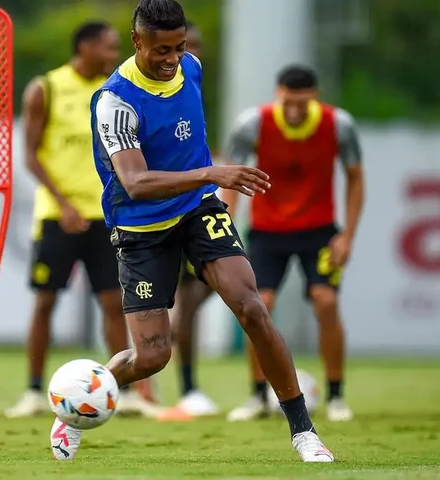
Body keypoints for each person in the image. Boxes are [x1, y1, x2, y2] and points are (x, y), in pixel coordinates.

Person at [50, 0, 334, 463]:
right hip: (142, 228)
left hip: (198, 210)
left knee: (252, 309)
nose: (171, 59)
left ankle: (304, 432)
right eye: (161, 49)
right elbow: (137, 184)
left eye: (179, 47)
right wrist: (211, 173)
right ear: (137, 41)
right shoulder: (115, 102)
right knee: (151, 357)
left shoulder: (192, 68)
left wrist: (205, 182)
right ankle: (78, 399)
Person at [6, 21, 158, 419]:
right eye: (108, 48)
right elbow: (31, 155)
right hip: (59, 216)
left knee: (113, 302)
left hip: (107, 217)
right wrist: (64, 203)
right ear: (85, 46)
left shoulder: (117, 89)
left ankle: (119, 391)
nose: (114, 55)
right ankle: (34, 391)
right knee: (45, 301)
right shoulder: (47, 88)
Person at [224, 65, 364, 423]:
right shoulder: (253, 124)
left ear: (314, 97)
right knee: (259, 305)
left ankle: (336, 396)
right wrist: (224, 225)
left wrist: (347, 235)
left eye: (303, 102)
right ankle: (257, 396)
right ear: (278, 94)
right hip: (267, 231)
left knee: (326, 301)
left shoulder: (339, 125)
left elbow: (355, 179)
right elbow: (231, 176)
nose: (296, 109)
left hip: (319, 231)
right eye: (289, 101)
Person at [153, 20, 220, 420]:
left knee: (196, 298)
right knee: (168, 305)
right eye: (179, 47)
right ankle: (179, 386)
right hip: (159, 213)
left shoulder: (191, 81)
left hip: (197, 207)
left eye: (191, 47)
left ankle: (189, 387)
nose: (184, 56)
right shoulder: (139, 91)